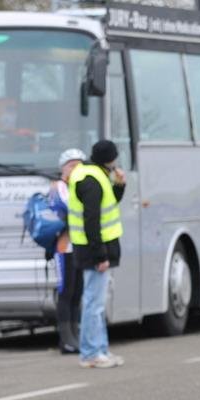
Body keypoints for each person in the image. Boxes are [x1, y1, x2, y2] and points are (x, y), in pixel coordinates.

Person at [68, 140, 126, 369]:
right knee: (94, 303)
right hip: (93, 250)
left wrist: (119, 185)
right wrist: (100, 255)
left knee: (97, 303)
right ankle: (91, 353)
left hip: (93, 248)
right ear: (108, 159)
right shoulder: (92, 180)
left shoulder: (94, 174)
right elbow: (91, 220)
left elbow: (108, 204)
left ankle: (100, 349)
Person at [50, 148, 86, 355]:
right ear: (63, 168)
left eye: (79, 165)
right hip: (64, 247)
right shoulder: (59, 187)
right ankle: (66, 338)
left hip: (79, 245)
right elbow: (68, 208)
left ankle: (75, 333)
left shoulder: (79, 187)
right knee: (66, 291)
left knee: (77, 291)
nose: (75, 169)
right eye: (71, 166)